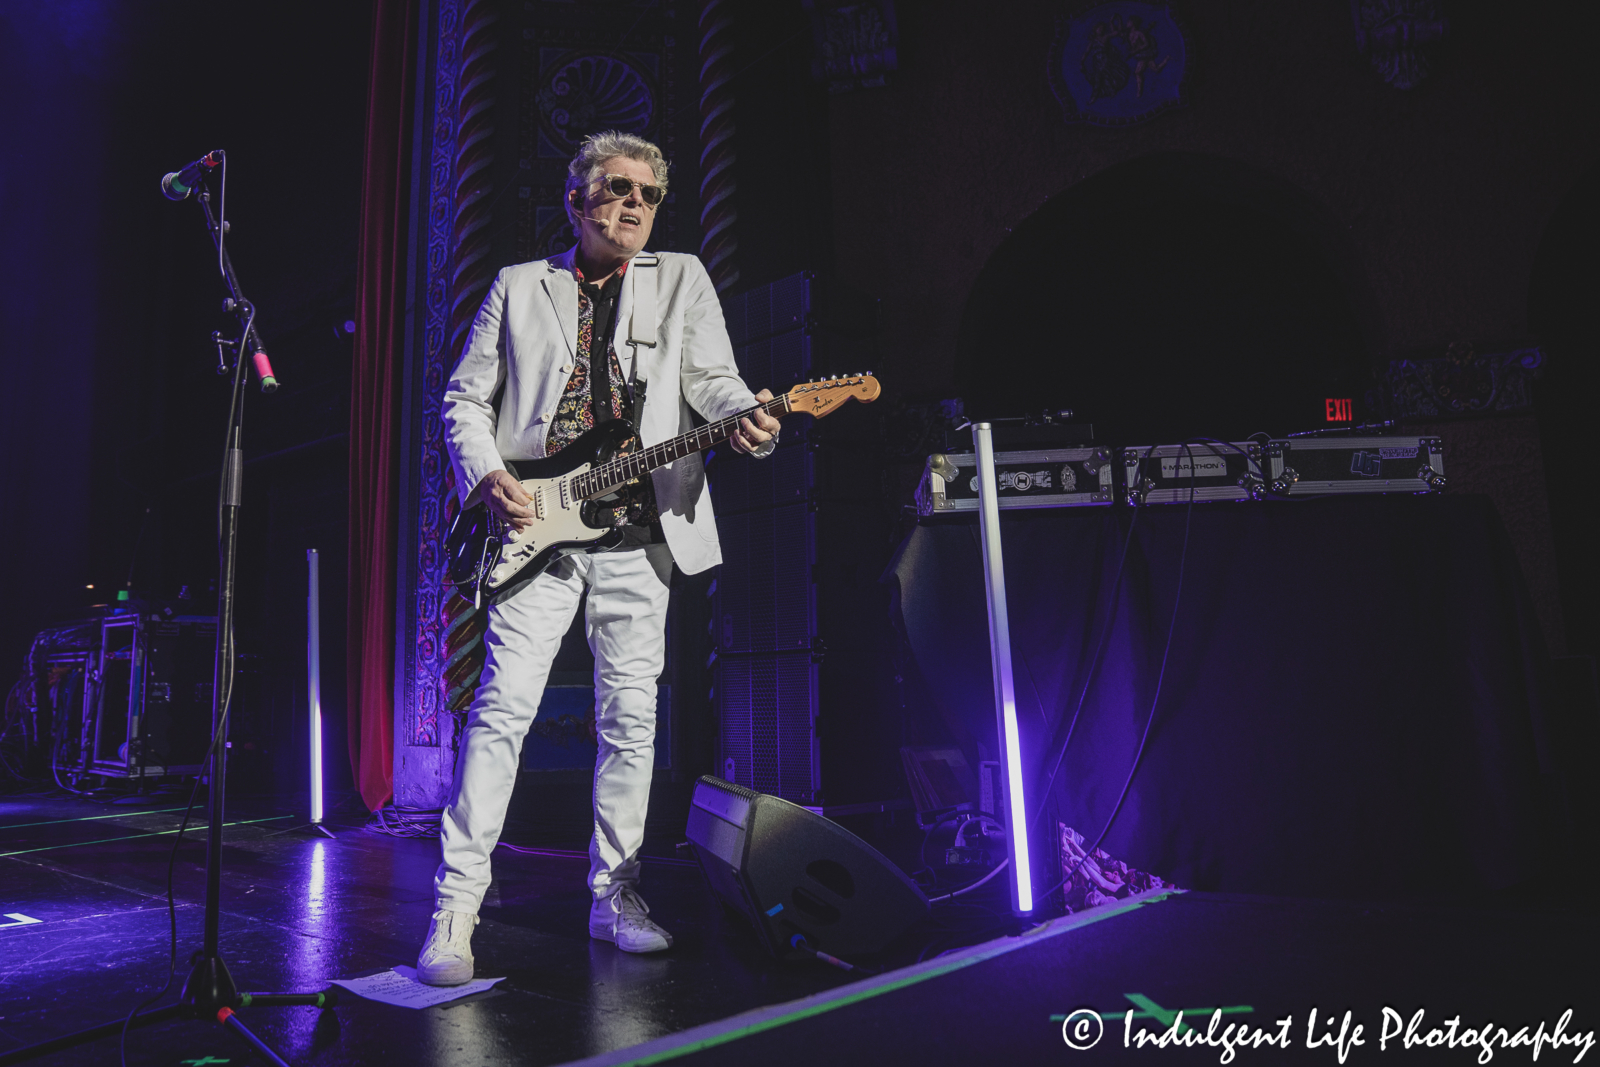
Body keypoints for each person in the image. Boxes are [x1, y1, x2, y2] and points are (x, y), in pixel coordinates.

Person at [418, 130, 781, 984]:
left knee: (631, 723)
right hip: (536, 527)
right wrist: (489, 475)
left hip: (640, 534)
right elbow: (465, 399)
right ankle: (455, 908)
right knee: (501, 712)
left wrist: (747, 417)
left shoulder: (681, 277)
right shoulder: (519, 286)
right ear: (577, 200)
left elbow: (715, 379)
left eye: (649, 195)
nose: (635, 206)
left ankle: (615, 893)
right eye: (618, 189)